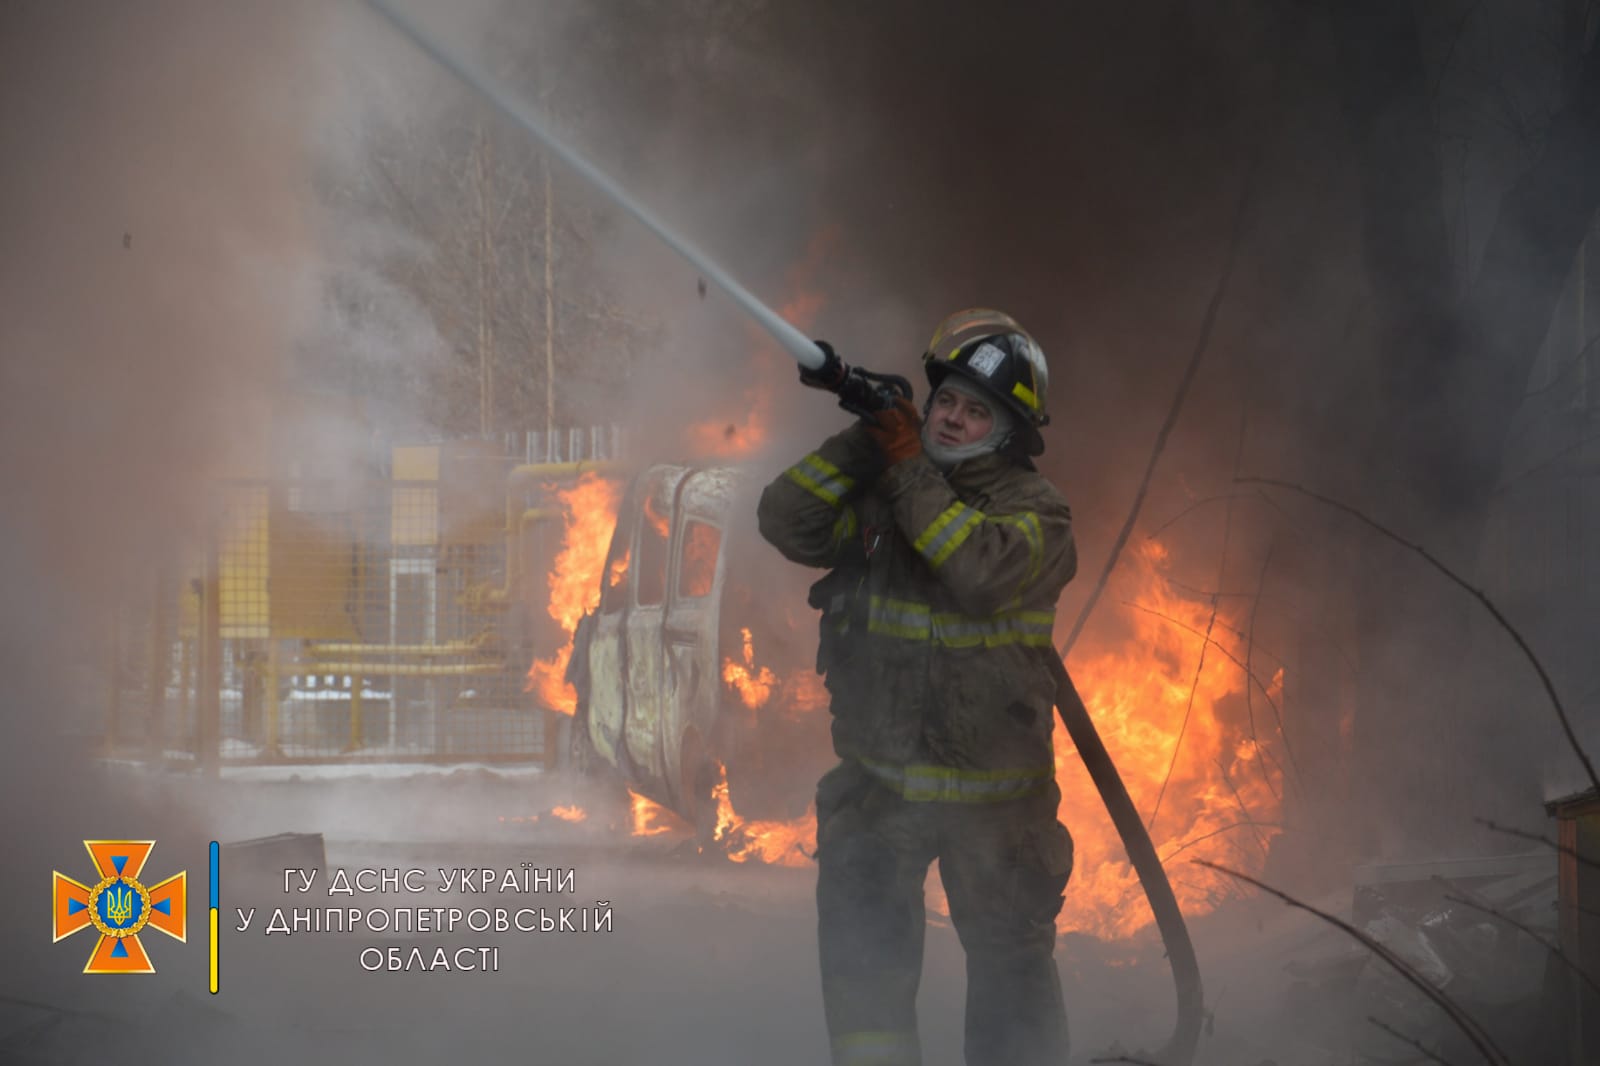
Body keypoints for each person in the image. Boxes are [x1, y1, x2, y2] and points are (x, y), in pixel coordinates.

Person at [757, 309, 1079, 1066]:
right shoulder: (886, 493)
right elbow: (785, 520)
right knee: (865, 982)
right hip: (879, 795)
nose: (954, 419)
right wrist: (865, 437)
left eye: (977, 411)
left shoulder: (1039, 514)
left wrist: (905, 464)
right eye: (946, 403)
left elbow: (973, 574)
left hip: (996, 808)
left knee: (1011, 982)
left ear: (1008, 433)